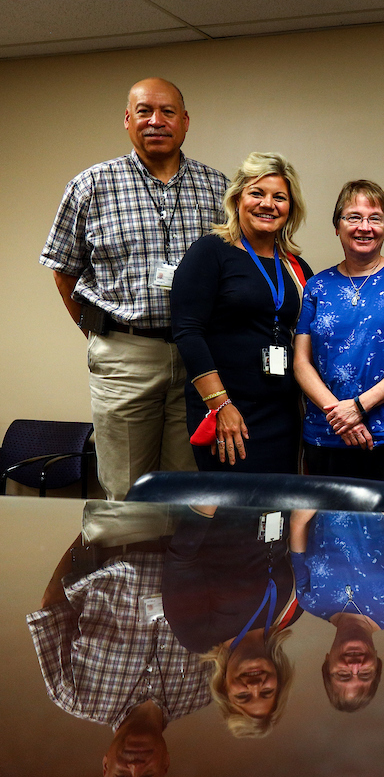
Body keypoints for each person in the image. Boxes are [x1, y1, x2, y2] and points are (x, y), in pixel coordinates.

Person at [40, 78, 228, 500]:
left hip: (198, 354)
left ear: (185, 121)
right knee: (127, 492)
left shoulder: (217, 187)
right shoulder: (90, 184)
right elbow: (63, 271)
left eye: (167, 112)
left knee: (187, 493)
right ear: (128, 120)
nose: (155, 121)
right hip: (125, 352)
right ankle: (127, 565)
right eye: (144, 111)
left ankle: (176, 568)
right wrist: (99, 334)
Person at [171, 152, 313, 474]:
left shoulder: (296, 267)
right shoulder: (210, 252)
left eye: (279, 197)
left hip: (281, 412)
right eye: (257, 193)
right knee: (232, 515)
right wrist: (220, 405)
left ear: (290, 208)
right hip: (227, 409)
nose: (268, 204)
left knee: (275, 512)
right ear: (237, 199)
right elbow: (188, 333)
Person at [27, 533, 210, 777]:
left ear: (105, 766)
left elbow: (53, 604)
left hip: (123, 531)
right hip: (197, 530)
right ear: (166, 765)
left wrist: (93, 530)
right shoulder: (203, 692)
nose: (135, 767)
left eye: (121, 776)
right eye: (148, 776)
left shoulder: (71, 694)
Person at [294, 180, 384, 484]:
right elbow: (301, 363)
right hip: (327, 432)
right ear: (337, 226)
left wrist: (358, 407)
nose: (364, 227)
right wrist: (341, 416)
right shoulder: (317, 285)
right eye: (353, 217)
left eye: (375, 218)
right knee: (326, 527)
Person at [163, 505, 303, 737]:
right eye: (267, 693)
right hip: (276, 495)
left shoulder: (197, 637)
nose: (255, 686)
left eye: (243, 696)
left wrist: (209, 501)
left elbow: (181, 557)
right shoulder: (291, 613)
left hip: (221, 498)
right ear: (279, 681)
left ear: (223, 688)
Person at [289, 509, 384, 712]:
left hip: (331, 486)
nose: (355, 666)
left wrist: (326, 492)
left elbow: (297, 524)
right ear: (377, 664)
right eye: (365, 674)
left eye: (343, 674)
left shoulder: (308, 600)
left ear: (327, 662)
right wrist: (373, 499)